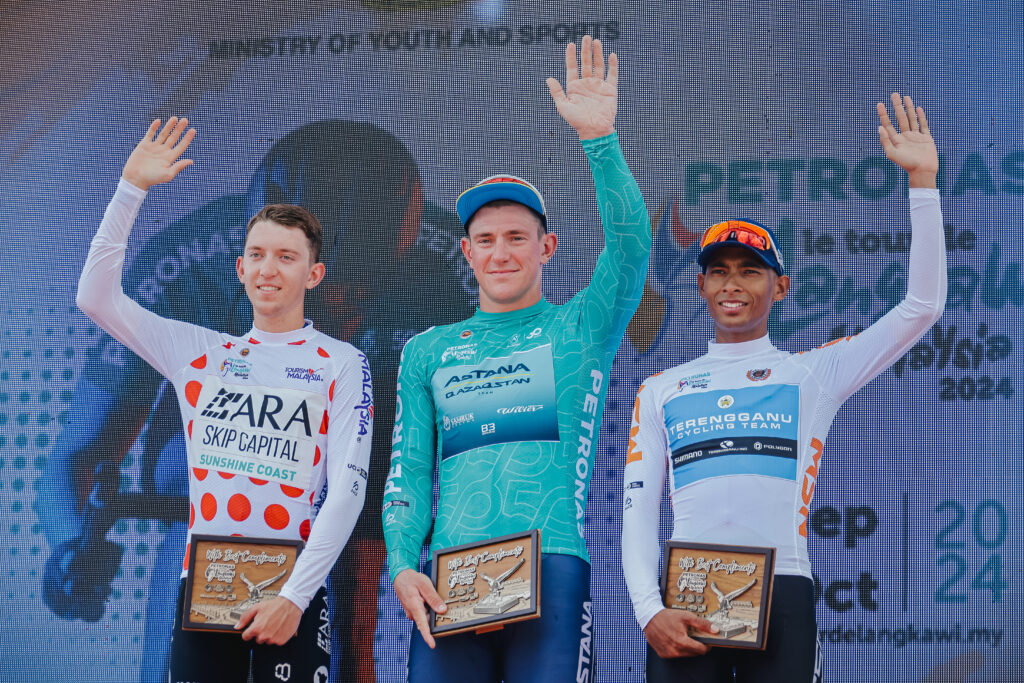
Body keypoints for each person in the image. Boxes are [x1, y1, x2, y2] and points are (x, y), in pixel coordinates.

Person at [37, 119, 474, 682]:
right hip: (209, 530)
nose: (335, 308)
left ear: (405, 237)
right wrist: (75, 540)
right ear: (245, 265)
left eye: (357, 291)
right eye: (317, 287)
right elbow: (80, 456)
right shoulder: (184, 275)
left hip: (342, 513)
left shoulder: (442, 275)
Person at [621, 93, 946, 682]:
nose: (733, 284)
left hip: (784, 590)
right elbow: (639, 513)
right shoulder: (661, 388)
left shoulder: (811, 373)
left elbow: (920, 307)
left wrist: (922, 182)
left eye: (750, 270)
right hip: (684, 597)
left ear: (782, 286)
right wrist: (648, 611)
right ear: (699, 287)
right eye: (718, 271)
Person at [382, 35, 651, 681]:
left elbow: (632, 246)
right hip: (451, 577)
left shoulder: (581, 327)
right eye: (485, 240)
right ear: (467, 252)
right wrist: (401, 563)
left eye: (516, 238)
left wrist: (600, 141)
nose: (500, 252)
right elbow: (409, 474)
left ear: (547, 246)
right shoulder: (429, 349)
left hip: (551, 563)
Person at [75, 117, 373, 682]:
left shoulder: (340, 361)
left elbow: (347, 490)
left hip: (294, 593)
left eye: (286, 257)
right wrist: (130, 188)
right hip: (205, 590)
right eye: (257, 255)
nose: (269, 268)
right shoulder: (198, 352)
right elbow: (94, 297)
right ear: (239, 269)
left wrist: (296, 595)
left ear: (315, 273)